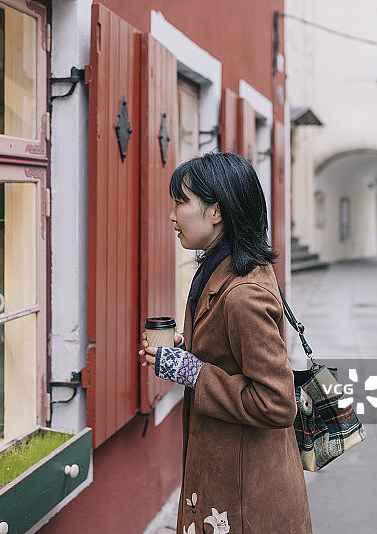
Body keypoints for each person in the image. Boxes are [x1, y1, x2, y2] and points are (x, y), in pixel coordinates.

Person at [139, 152, 312, 533]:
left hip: (245, 498)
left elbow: (276, 402)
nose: (172, 215)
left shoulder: (244, 292)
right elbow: (231, 356)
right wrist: (188, 352)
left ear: (216, 211)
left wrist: (194, 372)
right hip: (229, 476)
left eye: (181, 202)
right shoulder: (223, 266)